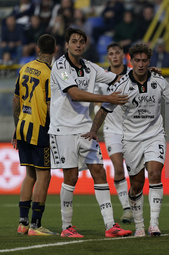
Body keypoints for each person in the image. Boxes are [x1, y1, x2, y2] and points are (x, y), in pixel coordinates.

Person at [84, 43, 169, 237]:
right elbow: (105, 109)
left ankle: (154, 224)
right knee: (137, 185)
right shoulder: (122, 86)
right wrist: (93, 130)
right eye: (137, 61)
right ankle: (139, 224)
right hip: (131, 140)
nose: (141, 64)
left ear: (150, 61)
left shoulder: (159, 81)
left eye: (144, 61)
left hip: (155, 135)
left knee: (155, 174)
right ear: (131, 61)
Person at [49, 27, 132, 238]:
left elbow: (116, 79)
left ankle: (110, 225)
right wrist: (108, 99)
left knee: (99, 172)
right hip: (63, 129)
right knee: (71, 176)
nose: (78, 44)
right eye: (74, 41)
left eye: (81, 41)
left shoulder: (90, 67)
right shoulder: (60, 65)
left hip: (85, 129)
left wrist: (143, 75)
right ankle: (66, 227)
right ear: (66, 45)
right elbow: (75, 95)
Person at [12, 34, 58, 236]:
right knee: (43, 176)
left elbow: (15, 101)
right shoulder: (50, 73)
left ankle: (22, 223)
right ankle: (36, 225)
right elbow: (49, 106)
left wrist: (16, 127)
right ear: (55, 50)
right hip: (40, 130)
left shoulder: (24, 68)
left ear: (37, 49)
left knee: (29, 174)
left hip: (22, 127)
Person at [94, 42, 133, 224]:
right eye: (111, 53)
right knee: (118, 167)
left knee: (135, 171)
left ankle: (134, 204)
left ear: (123, 55)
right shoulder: (102, 77)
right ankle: (127, 209)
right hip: (111, 129)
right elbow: (96, 102)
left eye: (118, 53)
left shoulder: (133, 74)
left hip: (133, 129)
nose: (115, 56)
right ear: (107, 57)